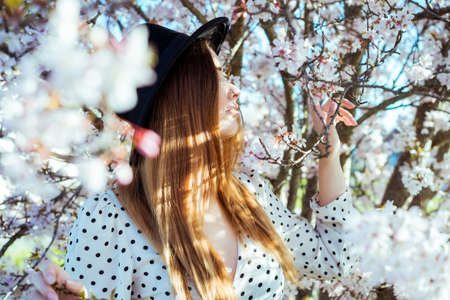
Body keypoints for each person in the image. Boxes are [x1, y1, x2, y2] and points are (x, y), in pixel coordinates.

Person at [29, 17, 359, 300]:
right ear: (181, 98)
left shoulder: (251, 196)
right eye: (216, 76)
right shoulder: (111, 216)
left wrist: (329, 149)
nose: (235, 90)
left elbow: (336, 258)